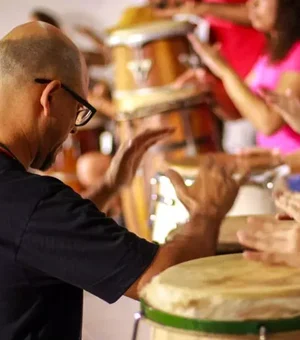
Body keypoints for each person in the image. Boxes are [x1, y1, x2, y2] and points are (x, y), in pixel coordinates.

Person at [0, 22, 245, 339]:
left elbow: (40, 237)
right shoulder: (31, 203)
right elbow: (160, 278)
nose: (74, 129)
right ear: (50, 97)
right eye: (79, 110)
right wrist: (207, 213)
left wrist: (109, 187)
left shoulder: (25, 207)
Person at [177, 0, 300, 155]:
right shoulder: (270, 53)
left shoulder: (297, 54)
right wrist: (210, 90)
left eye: (259, 0)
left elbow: (267, 124)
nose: (250, 5)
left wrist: (225, 71)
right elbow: (238, 112)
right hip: (273, 162)